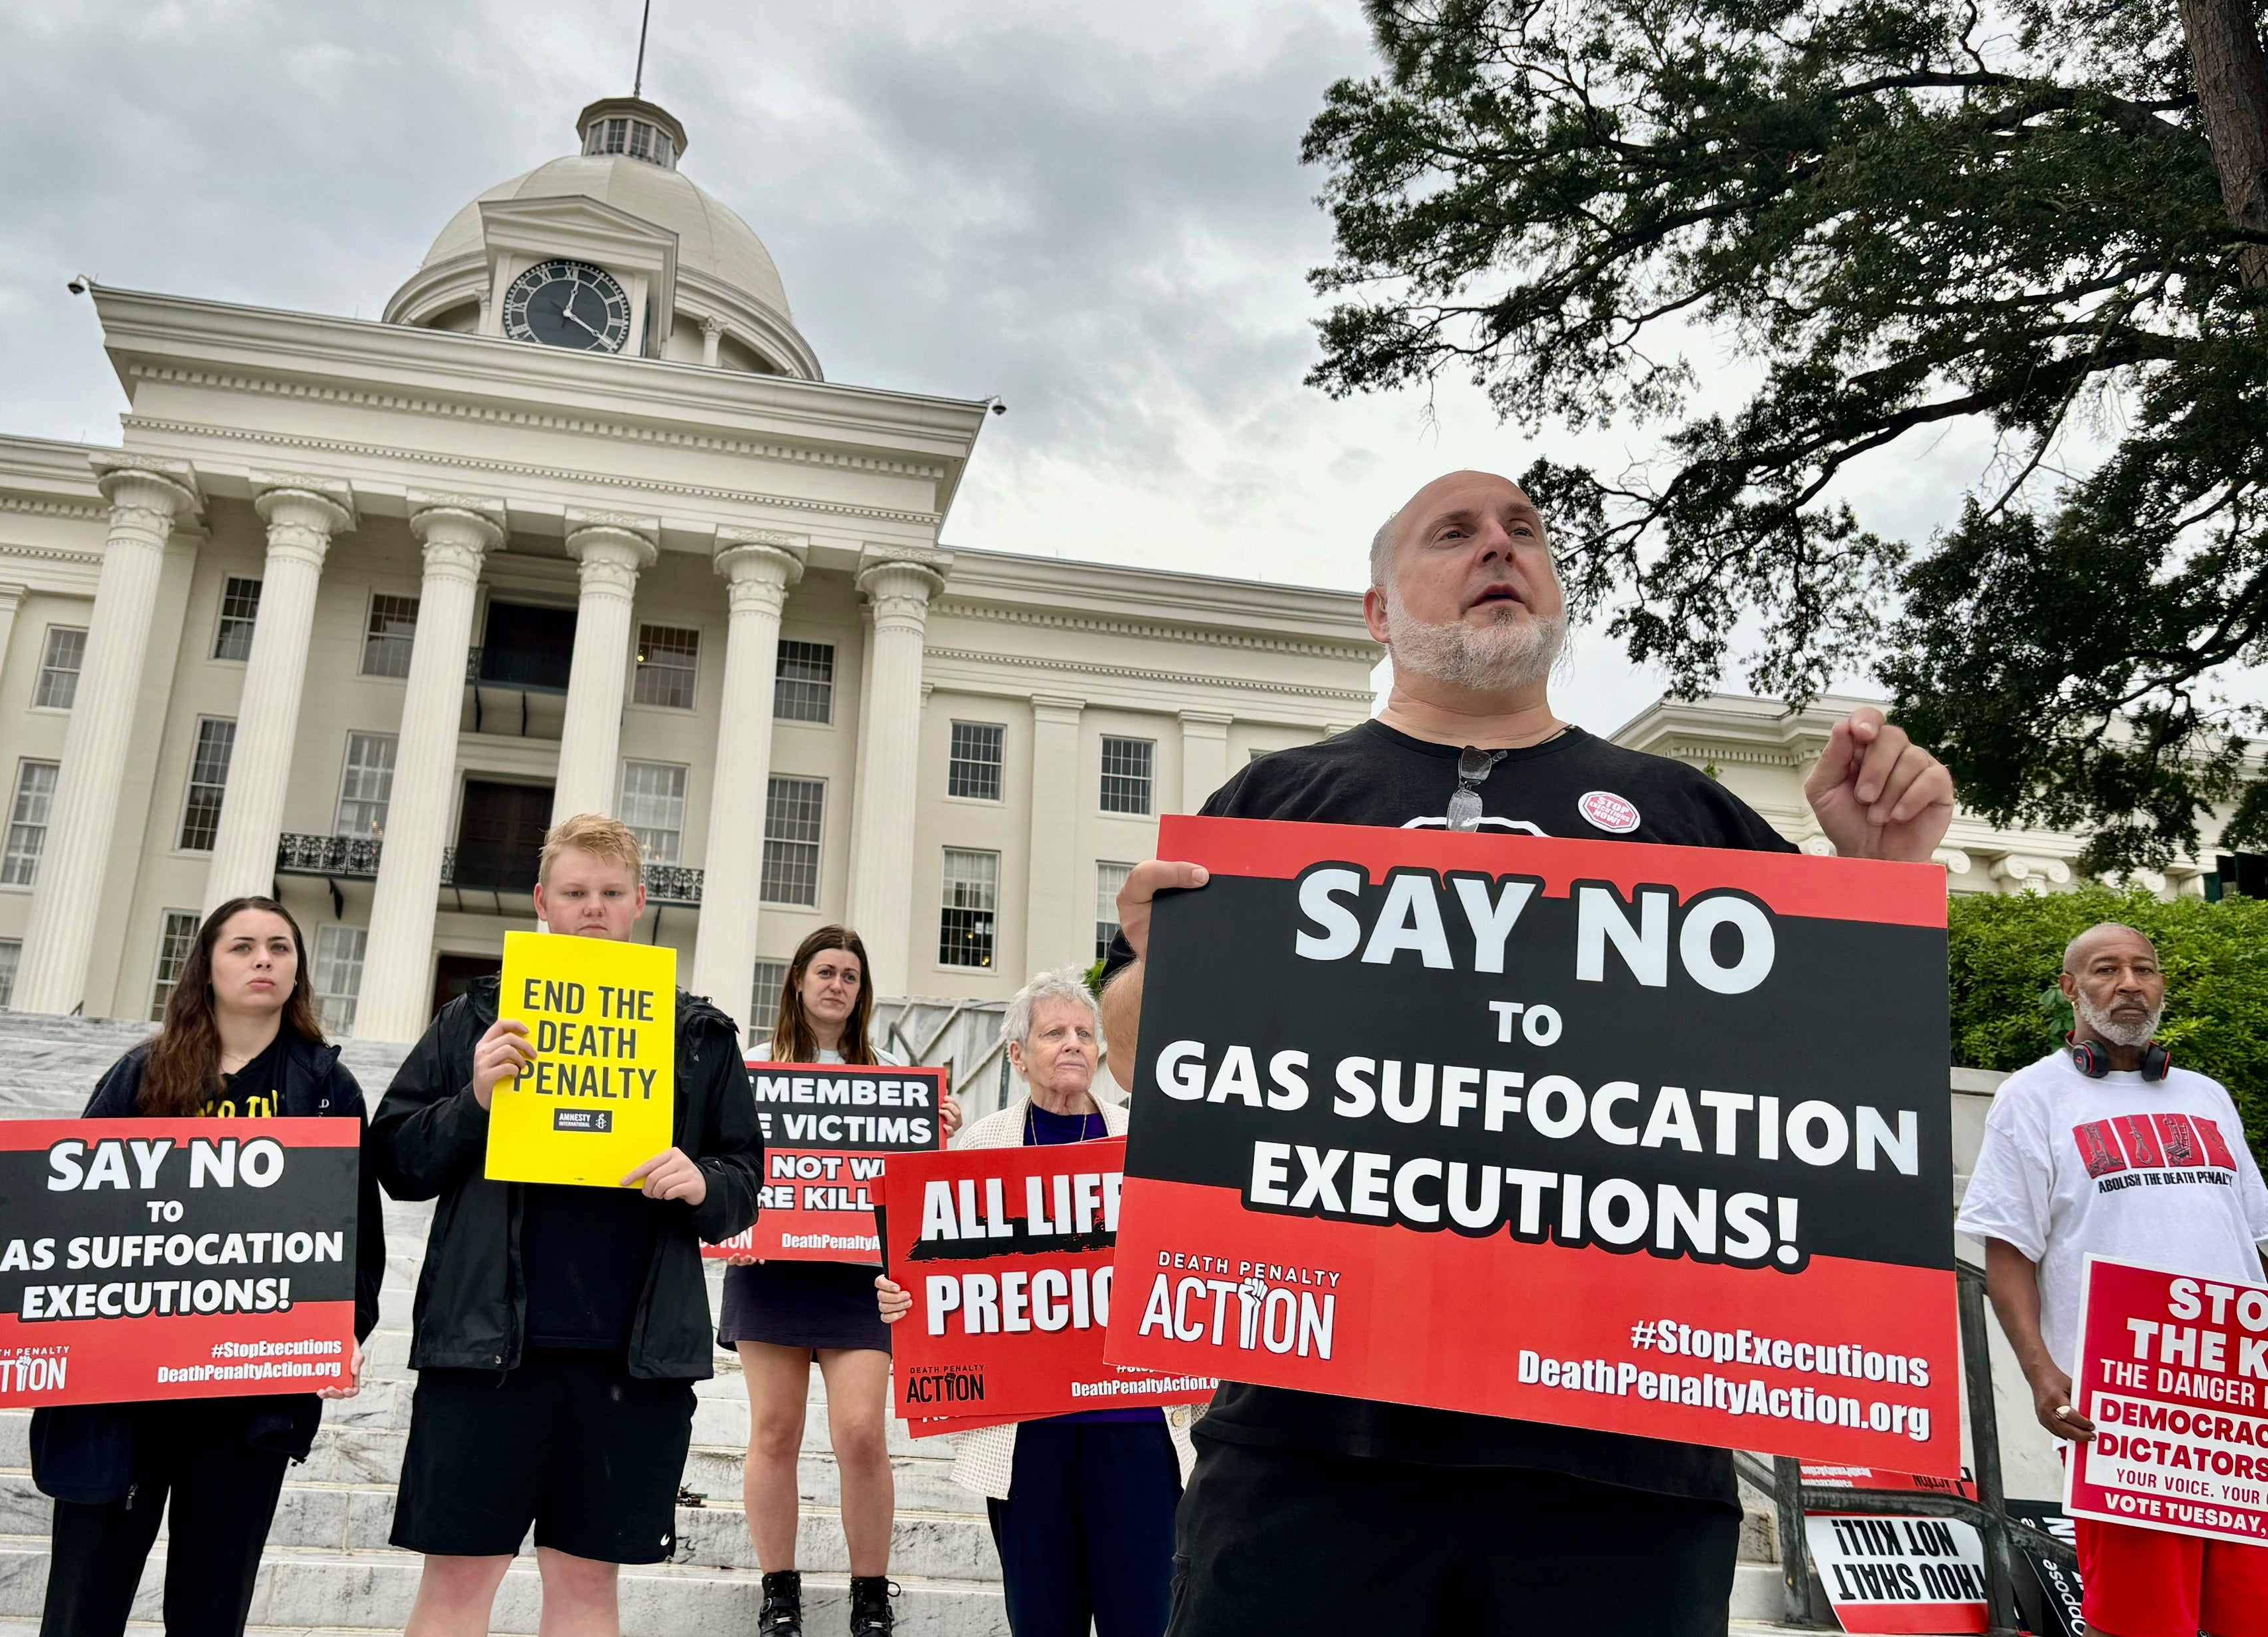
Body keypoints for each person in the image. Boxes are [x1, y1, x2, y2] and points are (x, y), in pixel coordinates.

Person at [1100, 471, 1960, 1637]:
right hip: (1310, 1453)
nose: (1499, 547)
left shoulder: (1687, 813)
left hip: (1625, 1480)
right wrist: (1166, 966)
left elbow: (1835, 1092)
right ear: (1377, 610)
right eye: (1454, 533)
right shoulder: (1273, 805)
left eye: (1526, 533)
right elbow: (1154, 1074)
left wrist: (1877, 882)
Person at [0, 894, 387, 1637]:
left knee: (211, 1613)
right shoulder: (141, 1075)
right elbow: (62, 1221)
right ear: (206, 966)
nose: (263, 959)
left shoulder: (328, 1090)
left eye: (279, 946)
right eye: (242, 946)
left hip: (247, 1400)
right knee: (85, 1607)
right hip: (123, 1399)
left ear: (299, 969)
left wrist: (341, 1334)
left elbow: (355, 1242)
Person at [373, 813, 763, 1637]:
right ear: (542, 901)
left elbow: (744, 1188)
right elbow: (398, 1163)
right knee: (455, 1586)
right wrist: (472, 1101)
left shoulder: (698, 1035)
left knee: (588, 1593)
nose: (594, 908)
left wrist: (703, 1181)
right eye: (577, 893)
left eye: (611, 893)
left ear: (640, 903)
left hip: (631, 1357)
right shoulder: (474, 1020)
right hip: (485, 1353)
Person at [1958, 921, 2268, 1637]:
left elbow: (2253, 1240)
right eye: (2105, 969)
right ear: (2069, 989)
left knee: (2250, 1613)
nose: (2128, 984)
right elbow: (2008, 1251)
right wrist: (2040, 1372)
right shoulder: (2031, 1097)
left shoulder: (2208, 1096)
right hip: (2124, 1407)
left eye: (2144, 969)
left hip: (2235, 1403)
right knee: (2140, 1619)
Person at [873, 970, 1191, 1637]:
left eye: (1084, 1033)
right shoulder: (975, 1151)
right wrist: (904, 1299)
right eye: (1054, 1032)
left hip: (1136, 1433)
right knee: (1044, 1623)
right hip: (1026, 1441)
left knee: (1147, 1621)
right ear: (1017, 1056)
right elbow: (936, 1280)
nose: (1073, 1044)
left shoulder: (1149, 1149)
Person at [726, 926, 962, 1637]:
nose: (836, 985)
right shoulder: (750, 1067)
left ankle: (868, 1595)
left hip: (860, 1277)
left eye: (850, 977)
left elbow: (915, 1187)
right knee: (774, 1431)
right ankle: (779, 1592)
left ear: (861, 993)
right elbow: (726, 1161)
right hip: (770, 1270)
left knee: (861, 1431)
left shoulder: (890, 1074)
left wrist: (937, 1130)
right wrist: (731, 1229)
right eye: (824, 971)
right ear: (797, 980)